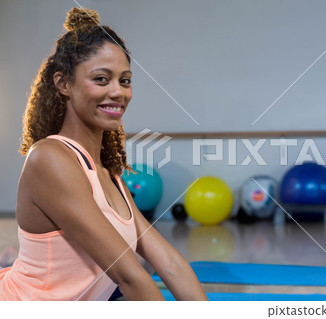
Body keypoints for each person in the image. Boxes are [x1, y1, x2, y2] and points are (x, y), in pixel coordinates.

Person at [0, 7, 208, 301]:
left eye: (124, 80)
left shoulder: (111, 176)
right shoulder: (49, 158)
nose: (118, 92)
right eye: (101, 79)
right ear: (63, 84)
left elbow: (171, 265)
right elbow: (129, 276)